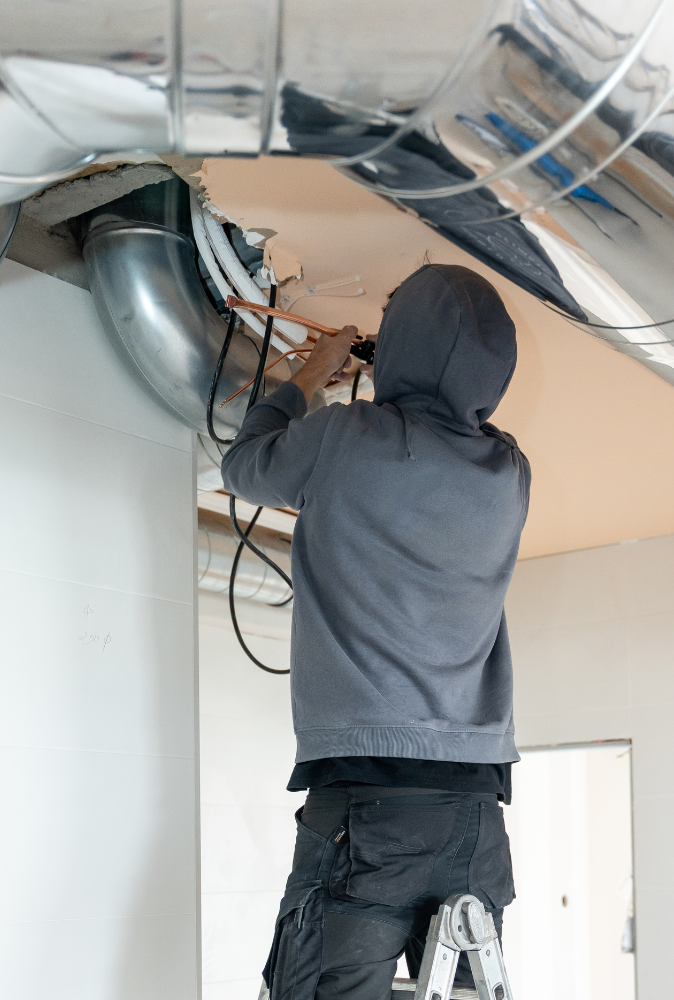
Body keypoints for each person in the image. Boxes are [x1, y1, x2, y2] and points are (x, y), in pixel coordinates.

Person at [222, 263, 531, 1000]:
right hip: (475, 817)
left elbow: (244, 467)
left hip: (370, 805)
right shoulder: (510, 469)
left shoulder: (344, 436)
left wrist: (312, 373)